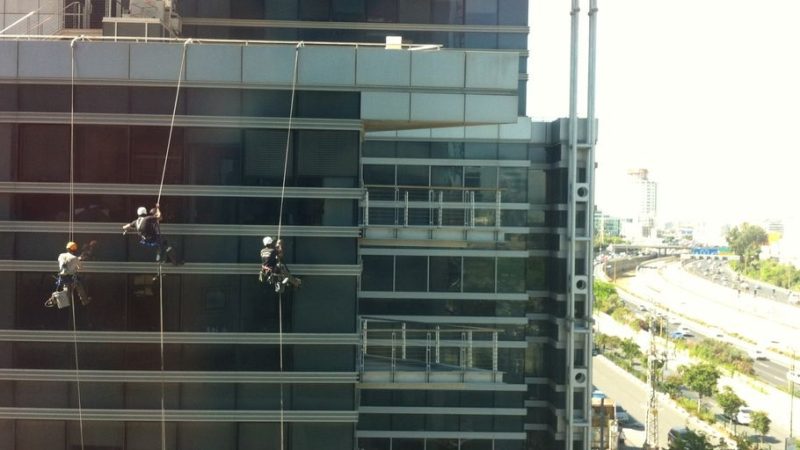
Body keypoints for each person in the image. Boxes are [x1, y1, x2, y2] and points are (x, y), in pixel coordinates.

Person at [45, 241, 90, 307]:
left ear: (67, 248)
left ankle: (53, 299)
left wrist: (76, 260)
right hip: (70, 277)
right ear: (74, 250)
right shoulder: (75, 258)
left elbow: (66, 261)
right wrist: (77, 260)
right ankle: (85, 301)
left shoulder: (61, 255)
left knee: (67, 294)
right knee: (79, 287)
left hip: (63, 277)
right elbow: (80, 268)